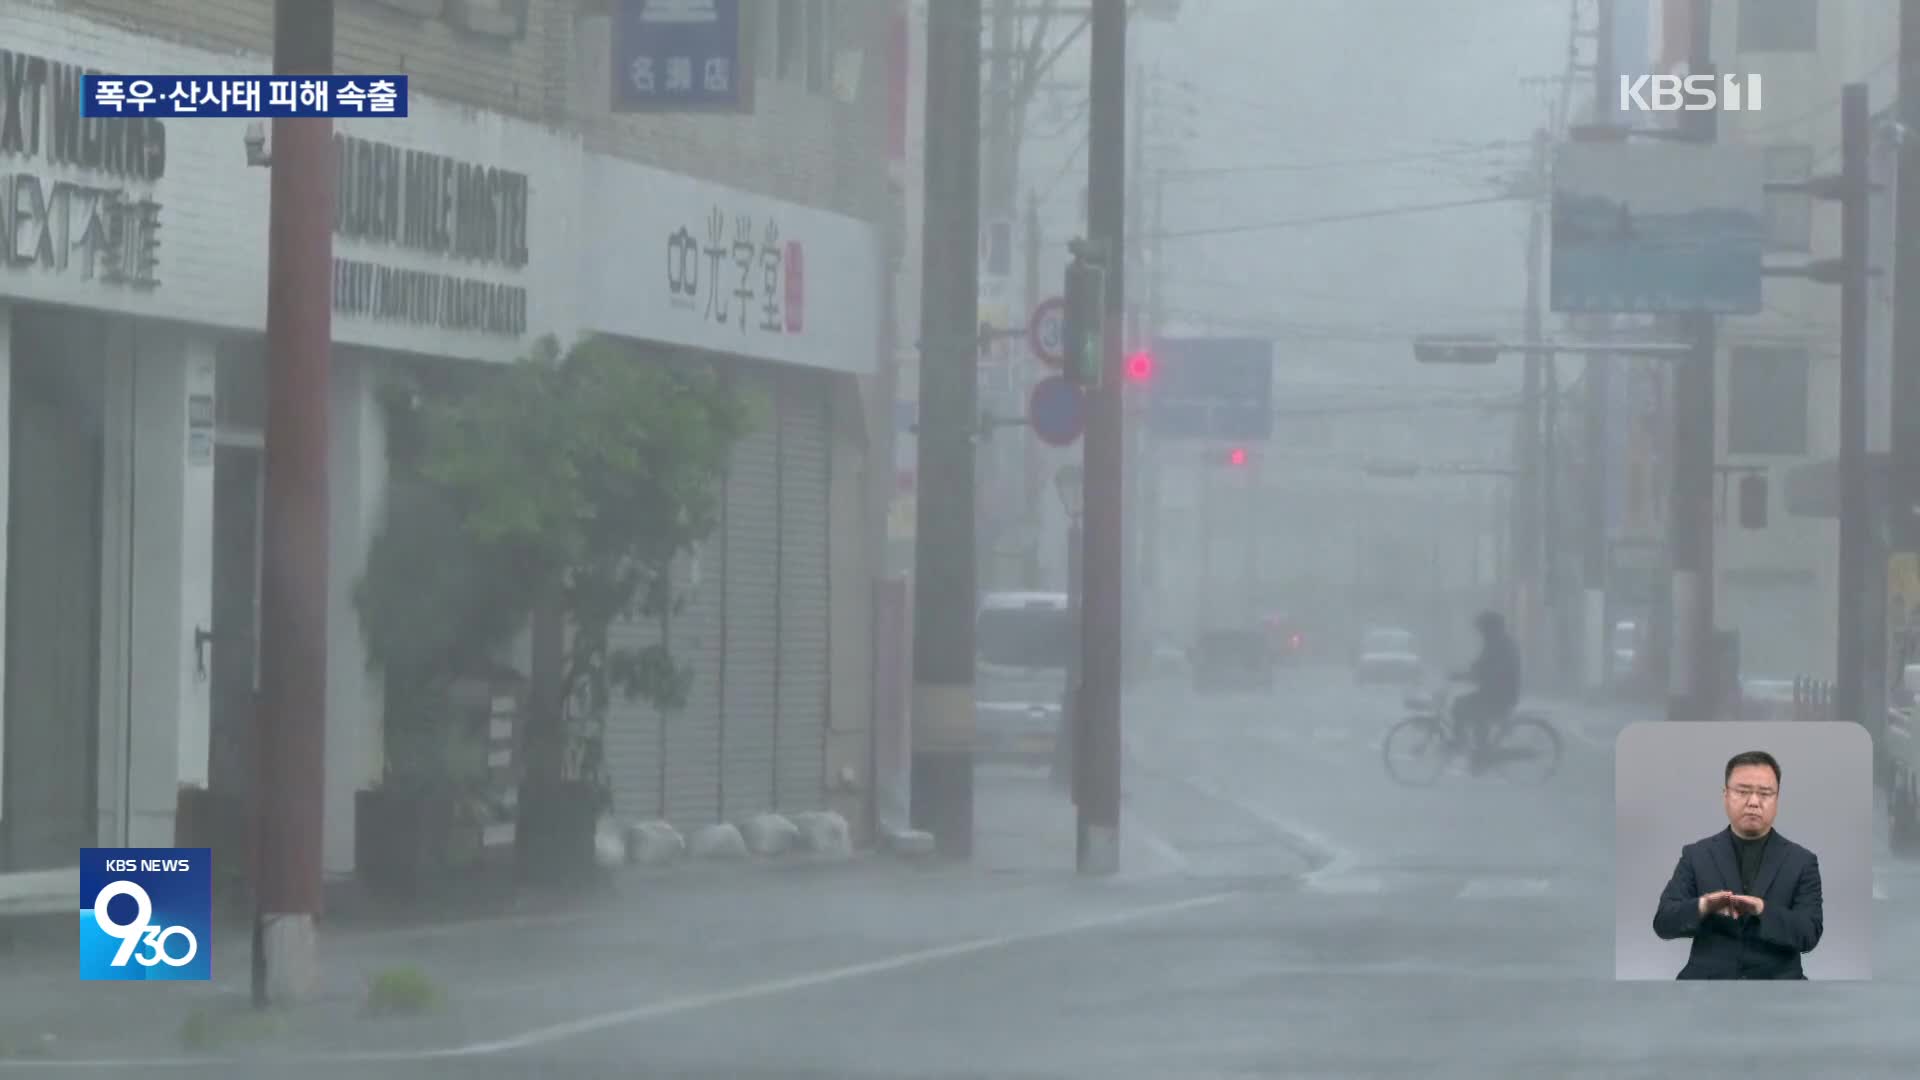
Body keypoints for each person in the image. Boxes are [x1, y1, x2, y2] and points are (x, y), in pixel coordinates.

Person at [1651, 750, 1824, 980]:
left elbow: (1809, 934)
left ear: (1777, 799)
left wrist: (1762, 909)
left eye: (1765, 793)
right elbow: (1663, 922)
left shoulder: (1802, 861)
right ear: (1725, 795)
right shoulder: (1696, 855)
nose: (1753, 802)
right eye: (1742, 791)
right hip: (1706, 987)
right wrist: (1704, 905)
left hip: (1779, 988)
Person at [1450, 611, 1520, 768]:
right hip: (1492, 692)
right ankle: (1480, 752)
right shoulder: (1495, 643)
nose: (1481, 633)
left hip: (1501, 695)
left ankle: (1479, 752)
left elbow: (1494, 670)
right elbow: (1481, 665)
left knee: (1464, 708)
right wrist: (1465, 674)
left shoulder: (1501, 645)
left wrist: (1470, 675)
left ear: (1491, 628)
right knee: (1464, 707)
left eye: (1483, 629)